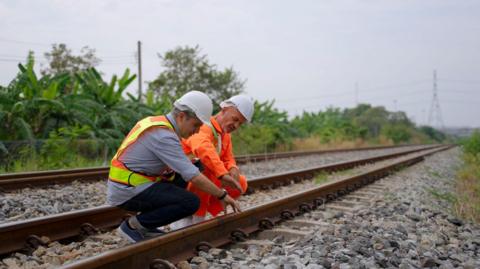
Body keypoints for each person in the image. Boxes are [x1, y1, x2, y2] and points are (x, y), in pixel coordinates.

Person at [106, 91, 241, 243]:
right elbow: (192, 176)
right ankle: (133, 226)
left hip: (134, 182)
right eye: (196, 125)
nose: (196, 131)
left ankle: (147, 226)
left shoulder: (158, 123)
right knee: (190, 202)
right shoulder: (164, 136)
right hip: (128, 189)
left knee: (197, 164)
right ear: (182, 116)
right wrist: (221, 195)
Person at [170, 95, 254, 229]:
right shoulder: (204, 126)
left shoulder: (224, 134)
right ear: (224, 109)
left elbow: (228, 157)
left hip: (194, 179)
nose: (236, 125)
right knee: (206, 171)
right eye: (235, 119)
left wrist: (233, 169)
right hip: (180, 179)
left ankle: (201, 212)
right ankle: (190, 218)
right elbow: (204, 149)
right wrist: (222, 174)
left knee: (240, 183)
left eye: (240, 123)